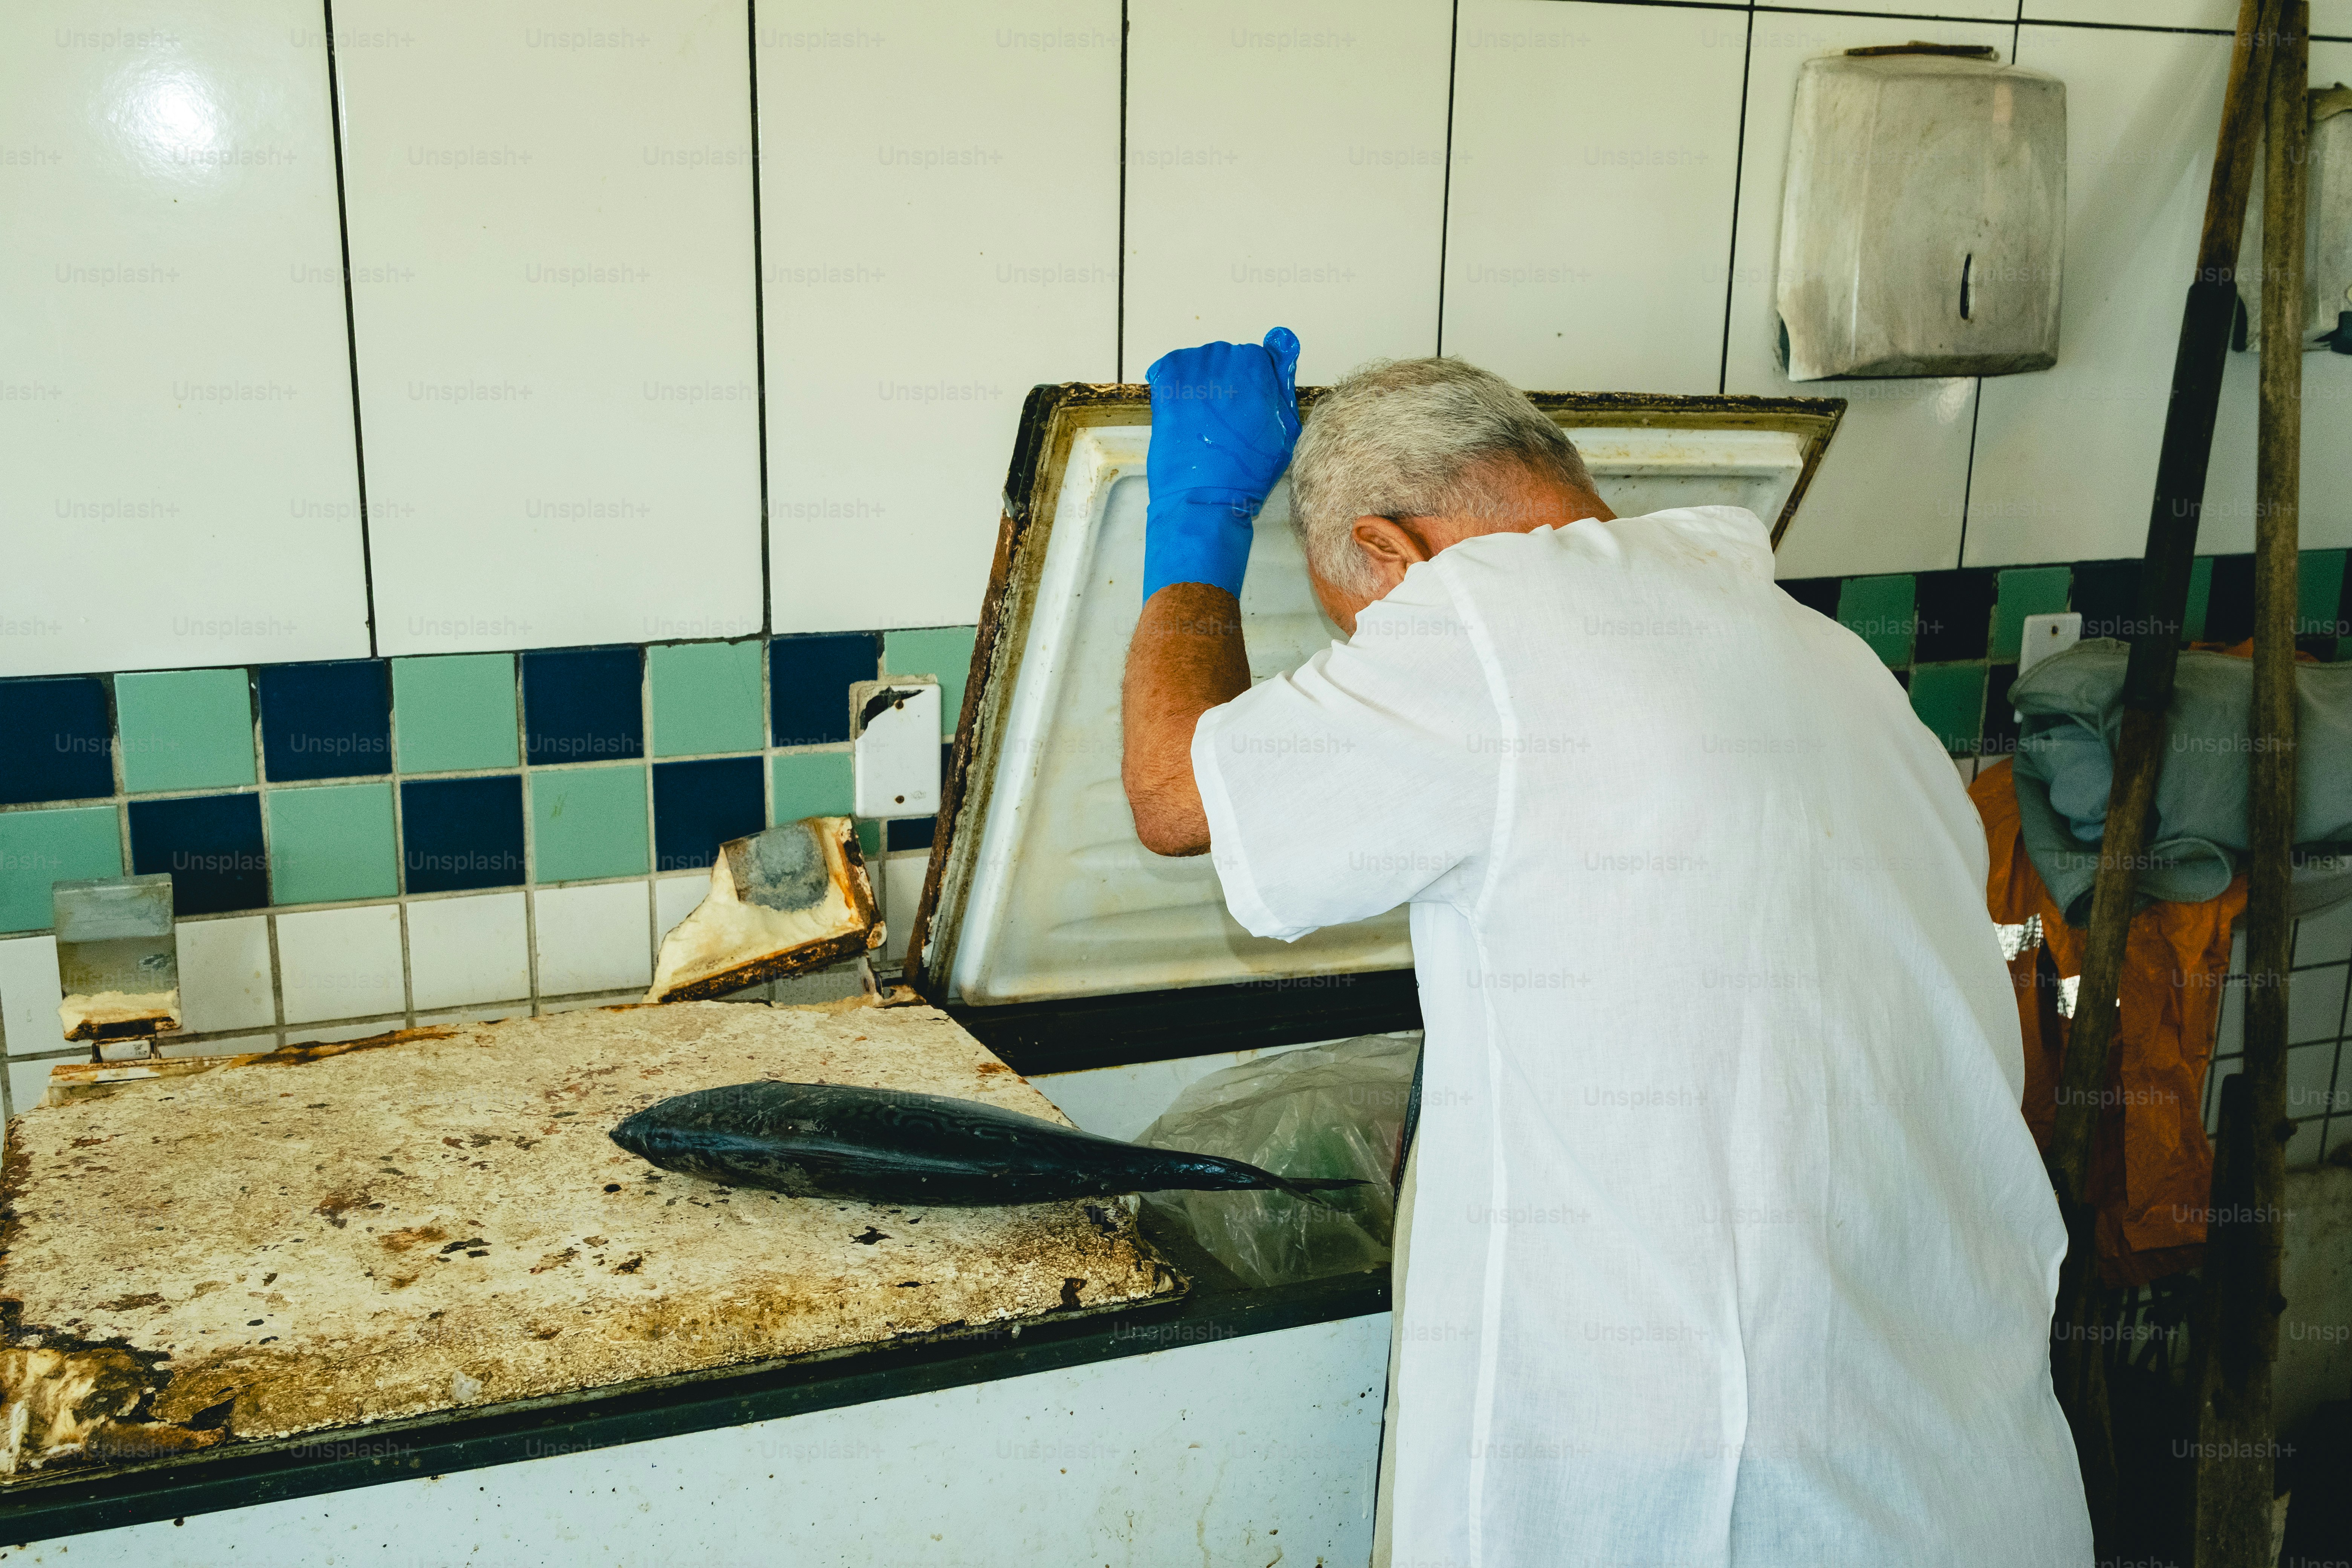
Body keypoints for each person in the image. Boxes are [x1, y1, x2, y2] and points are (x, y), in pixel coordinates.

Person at [1119, 332, 2095, 1567]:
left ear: (1389, 552)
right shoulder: (1832, 662)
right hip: (1955, 1455)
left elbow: (1172, 797)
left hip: (1692, 1477)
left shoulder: (1487, 617)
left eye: (1353, 628)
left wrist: (1198, 521)